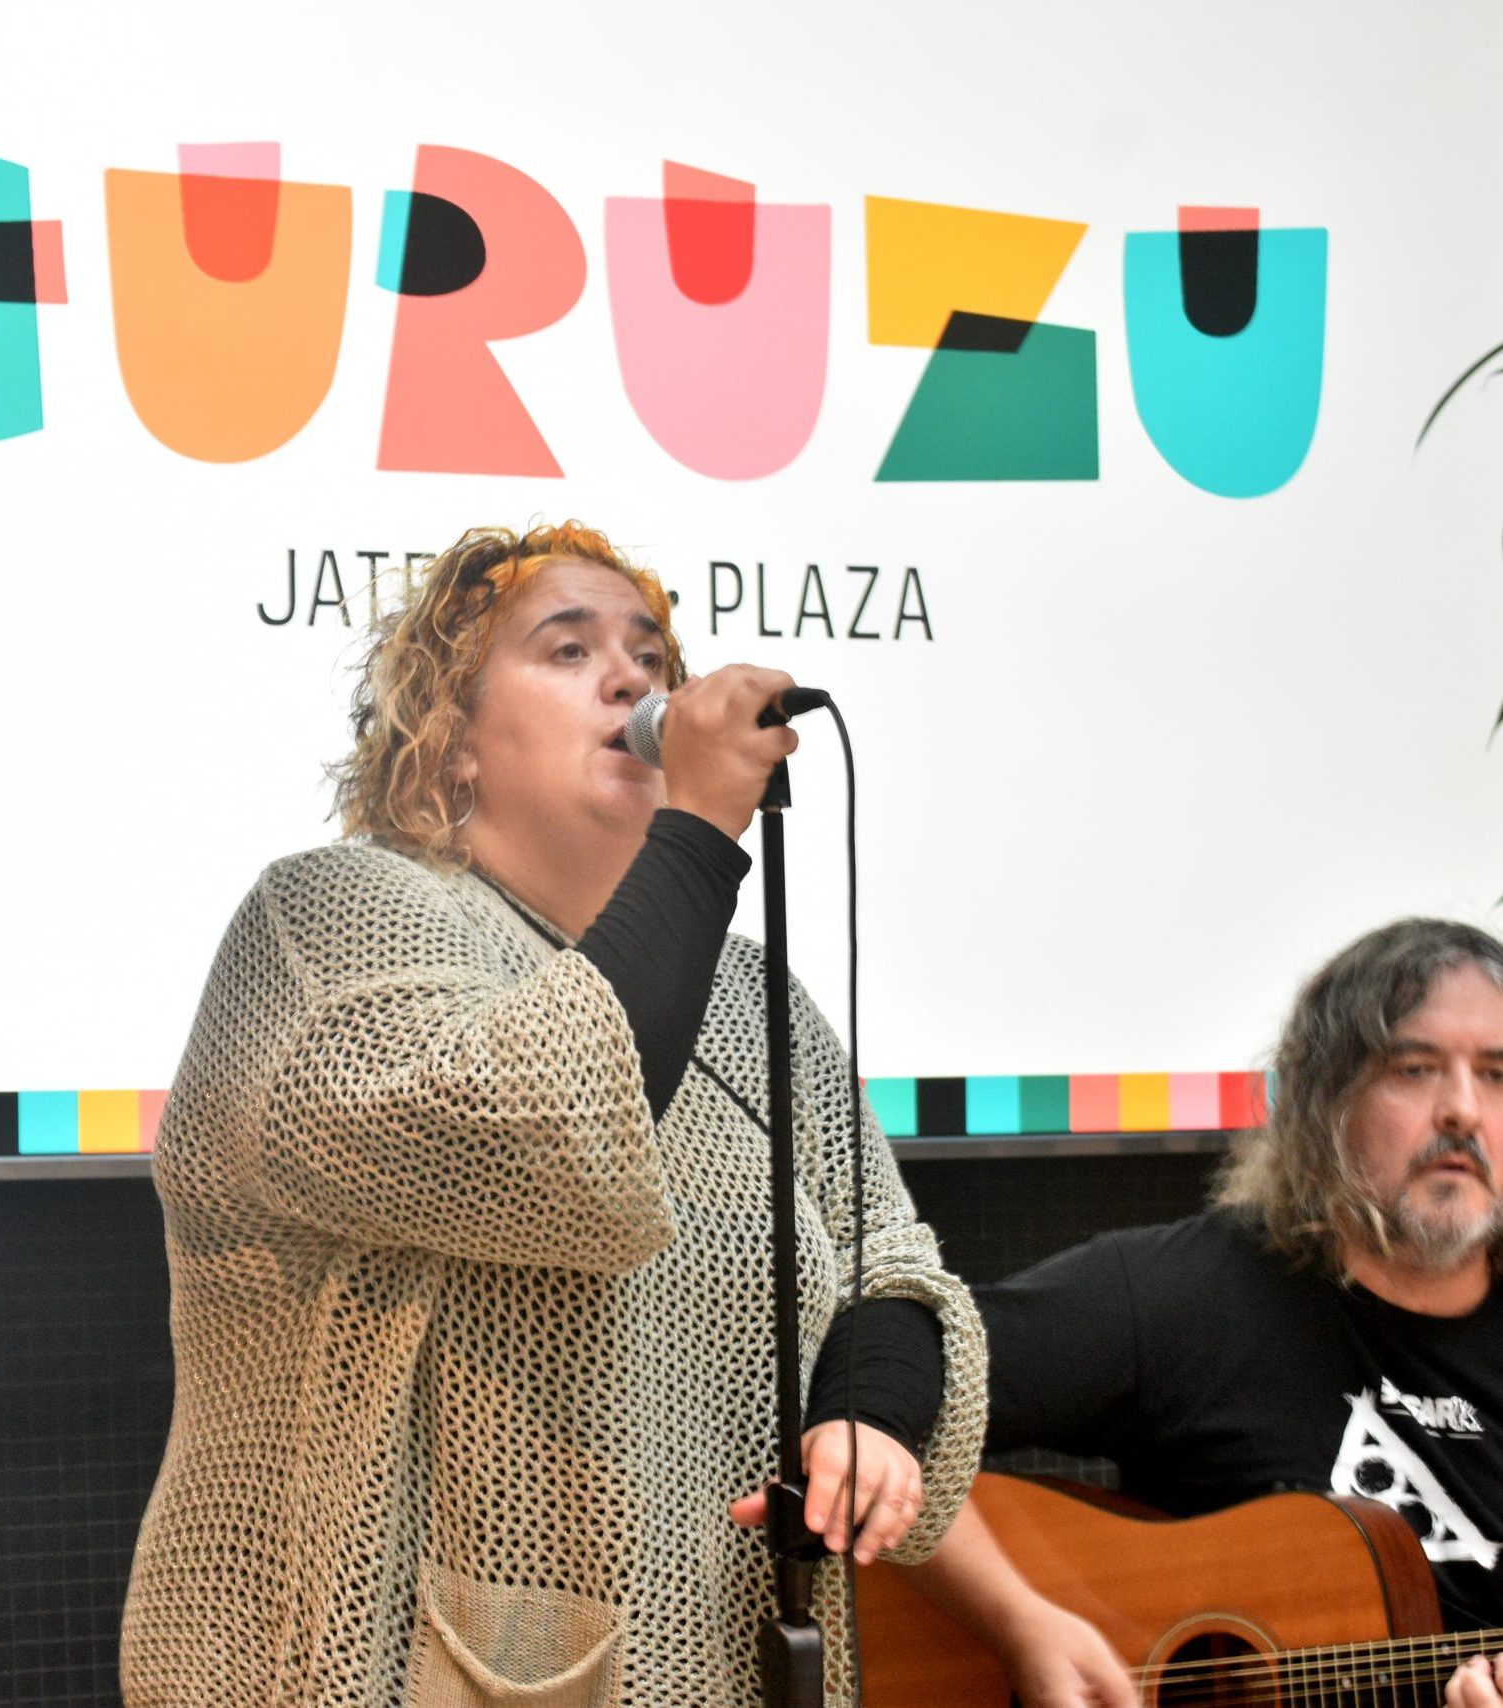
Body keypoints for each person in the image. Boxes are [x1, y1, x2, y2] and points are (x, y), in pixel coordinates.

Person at [119, 522, 986, 1707]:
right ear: (452, 743)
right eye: (568, 650)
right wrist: (699, 832)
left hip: (724, 1662)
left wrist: (869, 1417)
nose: (629, 679)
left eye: (649, 655)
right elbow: (534, 1134)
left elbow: (891, 1265)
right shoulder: (326, 916)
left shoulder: (755, 997)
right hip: (380, 1668)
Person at [904, 918, 1503, 1708]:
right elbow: (873, 1388)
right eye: (1415, 1069)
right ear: (1325, 1102)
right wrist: (1018, 1622)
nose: (1462, 1109)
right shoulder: (1184, 1294)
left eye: (1497, 1074)